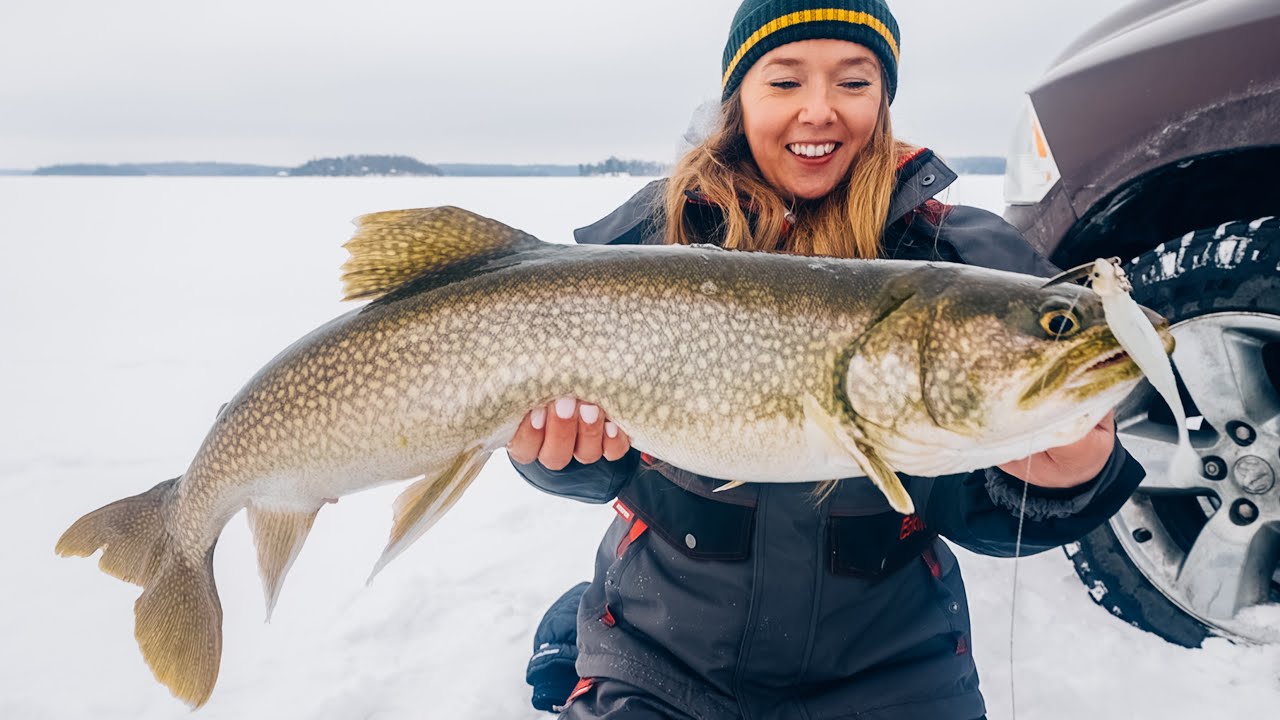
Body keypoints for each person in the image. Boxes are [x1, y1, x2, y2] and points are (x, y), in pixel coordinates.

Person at [507, 1, 1145, 718]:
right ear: (737, 98)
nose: (819, 110)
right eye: (785, 82)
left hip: (892, 669)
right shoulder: (646, 242)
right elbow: (605, 468)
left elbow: (976, 506)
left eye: (854, 82)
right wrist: (563, 455)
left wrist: (1066, 479)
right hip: (662, 654)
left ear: (884, 99)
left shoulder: (967, 260)